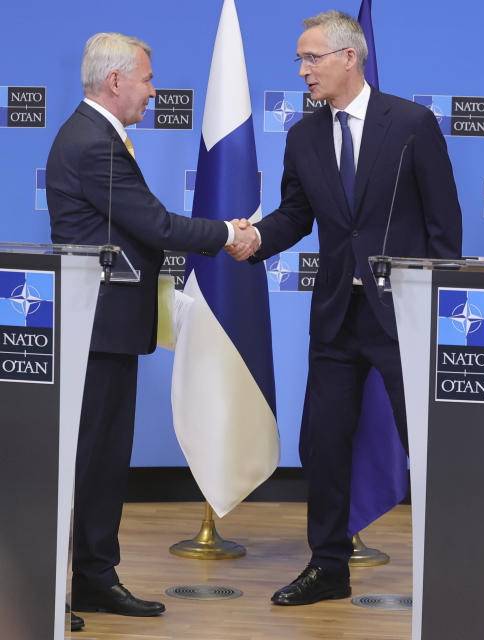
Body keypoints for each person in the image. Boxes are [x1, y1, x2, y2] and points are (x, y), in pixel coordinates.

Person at [228, 10, 462, 605]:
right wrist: (254, 238)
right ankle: (328, 566)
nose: (303, 70)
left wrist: (436, 312)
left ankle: (452, 564)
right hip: (337, 316)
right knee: (322, 442)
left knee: (430, 443)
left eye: (312, 58)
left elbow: (444, 226)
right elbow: (294, 216)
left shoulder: (411, 123)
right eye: (301, 60)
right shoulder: (304, 135)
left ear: (348, 58)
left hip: (403, 318)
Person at [46, 32, 259, 629]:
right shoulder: (94, 143)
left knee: (103, 461)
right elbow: (156, 224)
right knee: (91, 462)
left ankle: (93, 579)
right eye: (146, 78)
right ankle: (69, 586)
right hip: (98, 331)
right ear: (116, 82)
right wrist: (228, 234)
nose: (153, 89)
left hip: (106, 328)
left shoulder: (95, 136)